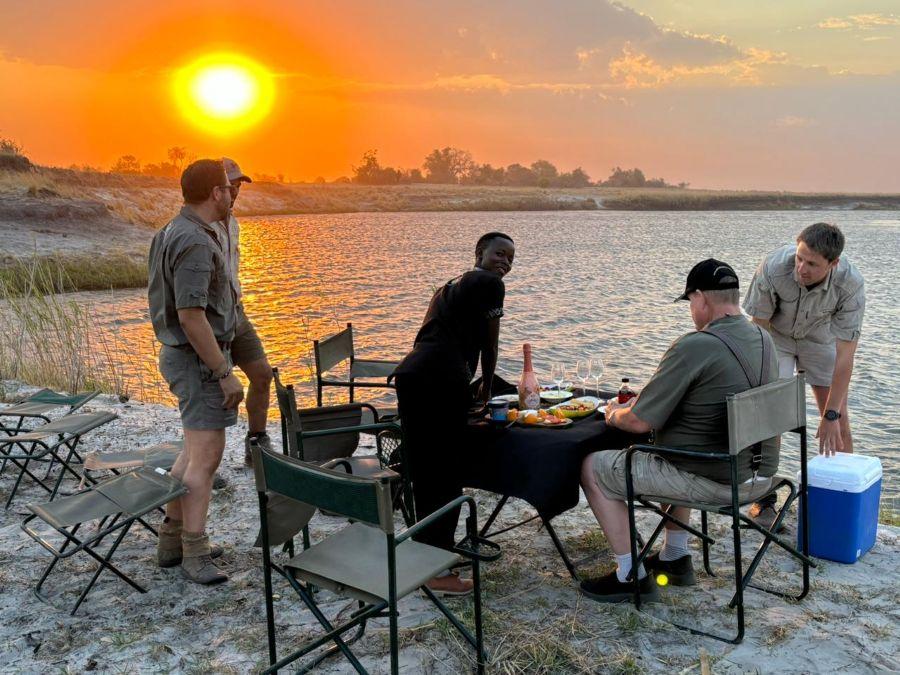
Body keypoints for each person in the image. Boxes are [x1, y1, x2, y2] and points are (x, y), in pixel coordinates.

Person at [579, 259, 778, 603]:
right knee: (675, 446)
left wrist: (612, 414)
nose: (691, 311)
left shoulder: (695, 344)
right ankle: (675, 558)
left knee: (592, 467)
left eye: (690, 303)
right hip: (756, 478)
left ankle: (629, 576)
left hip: (712, 481)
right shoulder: (764, 338)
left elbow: (639, 421)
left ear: (700, 298)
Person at [392, 232, 515, 595]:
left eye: (511, 258)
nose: (505, 263)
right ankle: (438, 574)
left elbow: (428, 335)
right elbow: (490, 343)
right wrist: (487, 385)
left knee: (425, 471)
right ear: (480, 252)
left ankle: (425, 557)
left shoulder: (451, 284)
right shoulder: (489, 283)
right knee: (444, 476)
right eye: (499, 254)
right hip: (438, 382)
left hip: (412, 375)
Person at [148, 159, 244, 585]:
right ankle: (195, 552)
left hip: (181, 355)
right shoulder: (196, 242)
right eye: (226, 187)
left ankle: (171, 542)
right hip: (196, 359)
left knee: (188, 455)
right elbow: (191, 316)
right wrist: (223, 370)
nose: (231, 193)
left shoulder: (170, 229)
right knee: (205, 460)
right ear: (214, 193)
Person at [743, 223, 865, 530]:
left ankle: (840, 500)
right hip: (776, 336)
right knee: (771, 410)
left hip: (820, 338)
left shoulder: (850, 284)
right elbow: (758, 332)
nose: (802, 268)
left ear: (833, 264)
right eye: (800, 258)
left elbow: (845, 356)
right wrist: (767, 389)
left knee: (838, 420)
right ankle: (764, 499)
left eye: (812, 264)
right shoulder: (773, 266)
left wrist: (832, 414)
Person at [219, 158, 274, 464]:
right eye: (231, 185)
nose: (236, 191)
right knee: (216, 394)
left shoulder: (233, 223)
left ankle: (256, 442)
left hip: (237, 312)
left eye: (238, 185)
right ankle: (204, 459)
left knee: (262, 375)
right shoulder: (200, 226)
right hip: (213, 319)